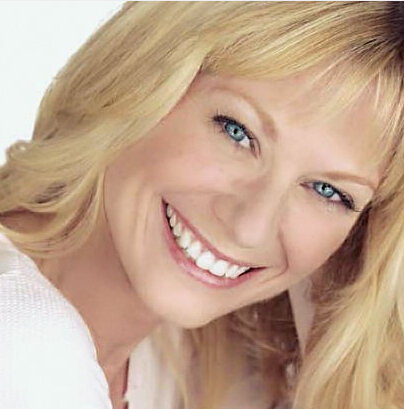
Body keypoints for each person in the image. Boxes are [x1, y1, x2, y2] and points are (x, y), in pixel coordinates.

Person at [0, 2, 403, 409]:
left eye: (326, 191)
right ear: (141, 77)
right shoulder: (25, 351)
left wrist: (338, 327)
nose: (250, 227)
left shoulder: (185, 364)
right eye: (237, 132)